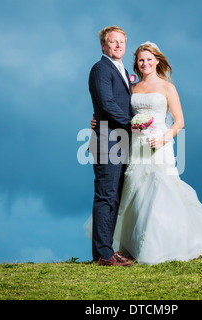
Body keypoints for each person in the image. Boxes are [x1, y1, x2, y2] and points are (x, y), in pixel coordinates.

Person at [87, 41, 202, 265]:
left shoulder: (167, 87)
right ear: (137, 63)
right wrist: (97, 118)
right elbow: (113, 106)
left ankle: (166, 244)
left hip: (158, 144)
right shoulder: (132, 87)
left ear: (158, 61)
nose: (145, 63)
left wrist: (163, 138)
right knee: (136, 191)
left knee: (160, 189)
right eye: (141, 60)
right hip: (135, 145)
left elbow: (180, 121)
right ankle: (132, 246)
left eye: (149, 60)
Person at [88, 26, 133, 267]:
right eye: (113, 42)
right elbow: (106, 104)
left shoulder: (123, 70)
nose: (117, 46)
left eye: (121, 42)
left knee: (114, 198)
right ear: (103, 46)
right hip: (107, 142)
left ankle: (106, 250)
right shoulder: (100, 69)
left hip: (121, 142)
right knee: (105, 197)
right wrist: (134, 124)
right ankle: (103, 255)